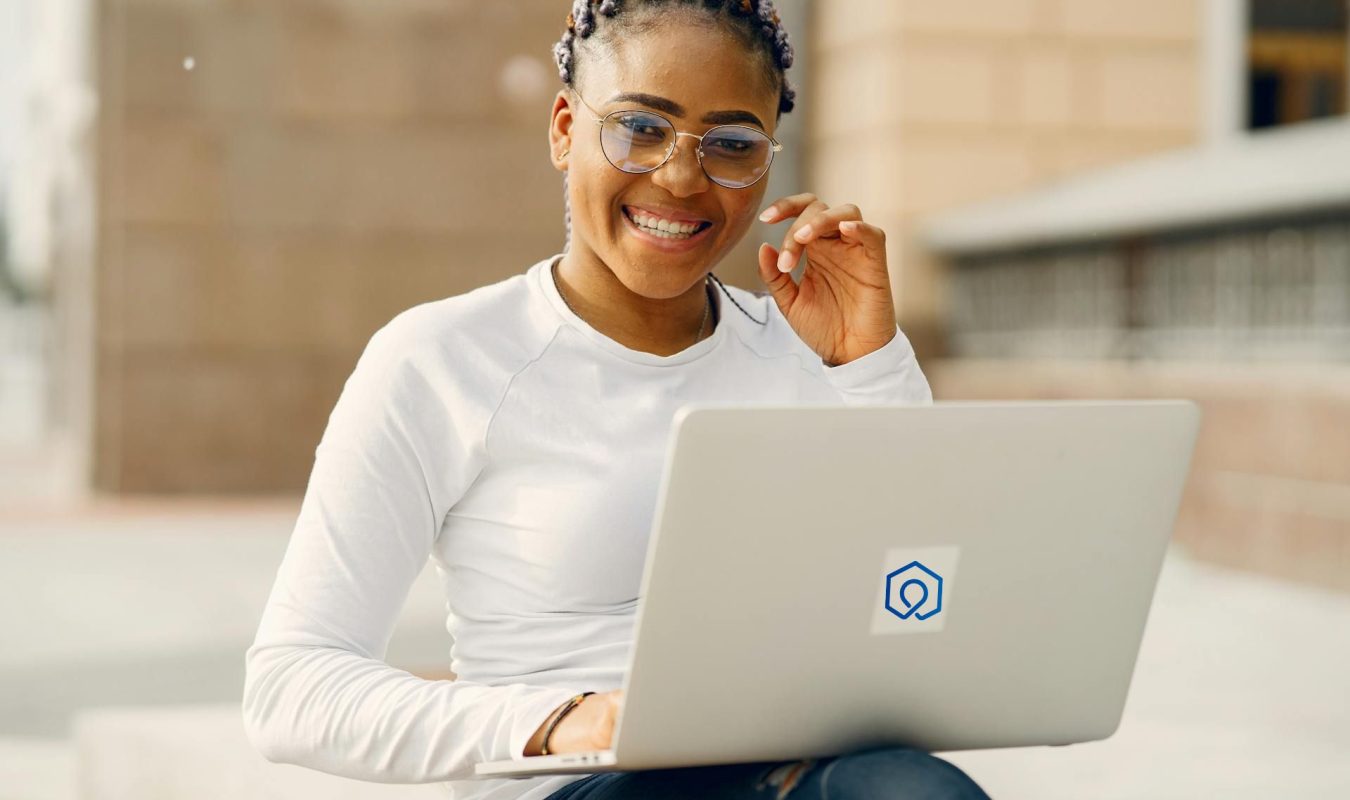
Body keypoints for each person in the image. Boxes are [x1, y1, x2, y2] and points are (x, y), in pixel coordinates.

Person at [242, 1, 991, 798]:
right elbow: (292, 688)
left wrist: (868, 365)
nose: (680, 176)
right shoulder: (442, 359)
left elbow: (923, 613)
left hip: (799, 773)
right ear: (565, 128)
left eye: (732, 145)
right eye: (640, 127)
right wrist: (569, 719)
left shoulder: (812, 348)